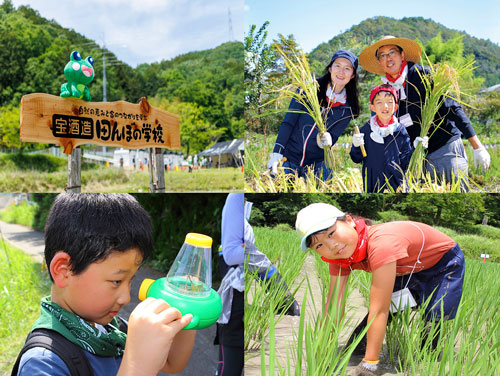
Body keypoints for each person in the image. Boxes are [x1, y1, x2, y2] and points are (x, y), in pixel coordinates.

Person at [13, 193, 196, 376]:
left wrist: (186, 305)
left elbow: (172, 362)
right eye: (116, 281)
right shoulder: (42, 363)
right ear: (64, 270)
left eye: (130, 280)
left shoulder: (114, 330)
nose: (126, 298)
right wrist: (137, 366)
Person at [295, 202, 465, 376]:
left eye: (331, 233)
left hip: (444, 263)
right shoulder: (340, 259)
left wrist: (369, 365)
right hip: (404, 266)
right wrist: (322, 351)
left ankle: (426, 363)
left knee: (434, 319)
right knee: (364, 338)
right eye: (319, 246)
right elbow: (333, 308)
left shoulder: (381, 244)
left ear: (349, 220)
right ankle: (360, 352)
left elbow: (379, 310)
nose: (332, 246)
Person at [359, 36, 490, 190]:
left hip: (445, 147)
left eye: (392, 52)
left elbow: (453, 109)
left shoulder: (424, 75)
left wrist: (477, 146)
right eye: (382, 55)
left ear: (402, 55)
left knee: (456, 193)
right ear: (379, 62)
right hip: (416, 157)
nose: (388, 58)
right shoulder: (385, 91)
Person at [215, 193, 299, 376]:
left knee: (231, 363)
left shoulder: (243, 202)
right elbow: (231, 253)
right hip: (233, 297)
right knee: (229, 366)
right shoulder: (235, 197)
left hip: (241, 287)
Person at [267, 50, 360, 180]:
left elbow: (334, 135)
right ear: (330, 68)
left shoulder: (348, 107)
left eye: (347, 68)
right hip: (288, 157)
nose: (341, 71)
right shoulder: (308, 89)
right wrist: (277, 152)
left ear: (352, 75)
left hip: (317, 164)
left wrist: (328, 140)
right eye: (337, 65)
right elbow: (288, 122)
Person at [350, 84, 412, 192]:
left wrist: (416, 148)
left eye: (389, 102)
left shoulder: (400, 130)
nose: (385, 106)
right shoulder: (366, 129)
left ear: (396, 107)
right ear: (372, 107)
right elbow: (356, 158)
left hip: (397, 187)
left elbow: (406, 163)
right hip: (372, 186)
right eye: (379, 102)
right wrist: (356, 146)